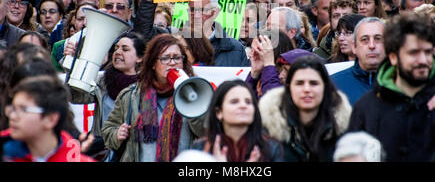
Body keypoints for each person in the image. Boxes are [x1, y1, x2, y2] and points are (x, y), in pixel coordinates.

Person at [348, 13, 435, 161]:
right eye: (413, 53)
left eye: (427, 52)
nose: (423, 60)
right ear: (393, 57)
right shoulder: (366, 108)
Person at [102, 34, 203, 162]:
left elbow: (205, 133)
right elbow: (107, 131)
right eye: (165, 58)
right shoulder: (131, 95)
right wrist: (117, 135)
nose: (172, 63)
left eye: (177, 58)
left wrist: (194, 105)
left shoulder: (195, 95)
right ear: (153, 64)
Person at [258, 55, 352, 162]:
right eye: (299, 83)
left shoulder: (344, 130)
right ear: (288, 87)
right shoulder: (268, 132)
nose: (307, 89)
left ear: (325, 87)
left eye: (314, 83)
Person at [69, 32, 145, 161]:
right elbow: (75, 97)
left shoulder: (145, 86)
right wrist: (77, 64)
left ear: (140, 58)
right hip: (101, 151)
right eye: (116, 48)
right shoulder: (101, 80)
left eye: (125, 49)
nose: (118, 52)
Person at [0, 74, 95, 162]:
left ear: (51, 119)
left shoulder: (76, 159)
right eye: (13, 109)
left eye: (23, 109)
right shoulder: (6, 153)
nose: (12, 116)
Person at [191, 79, 283, 162]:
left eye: (248, 102)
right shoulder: (201, 148)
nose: (243, 106)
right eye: (234, 102)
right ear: (219, 112)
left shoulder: (271, 148)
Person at [331, 17, 386, 105]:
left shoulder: (403, 82)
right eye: (364, 39)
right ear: (354, 47)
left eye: (378, 39)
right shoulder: (334, 84)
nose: (371, 45)